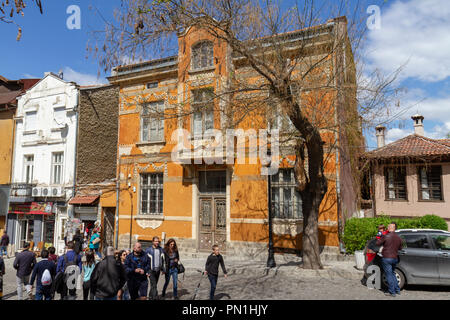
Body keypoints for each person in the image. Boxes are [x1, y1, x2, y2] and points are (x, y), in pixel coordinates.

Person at [376, 222, 403, 297]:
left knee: (389, 275)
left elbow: (378, 243)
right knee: (393, 273)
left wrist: (380, 235)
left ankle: (392, 292)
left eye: (389, 226)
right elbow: (400, 248)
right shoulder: (399, 237)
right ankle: (397, 290)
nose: (388, 227)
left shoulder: (385, 236)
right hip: (394, 258)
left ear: (392, 228)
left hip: (387, 258)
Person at [146, 236, 165, 300]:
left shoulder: (161, 249)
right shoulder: (148, 250)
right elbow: (145, 261)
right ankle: (155, 297)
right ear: (152, 242)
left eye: (158, 241)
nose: (157, 242)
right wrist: (147, 271)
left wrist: (163, 269)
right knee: (154, 284)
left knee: (154, 284)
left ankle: (150, 296)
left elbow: (163, 260)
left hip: (158, 270)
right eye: (156, 241)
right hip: (151, 270)